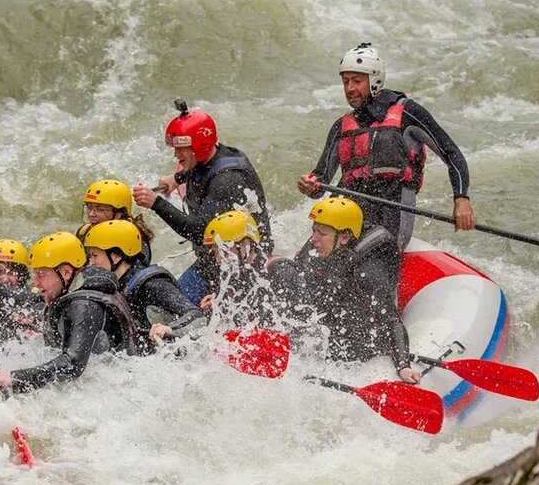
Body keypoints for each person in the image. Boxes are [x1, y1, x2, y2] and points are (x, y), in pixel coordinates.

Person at [297, 43, 476, 251]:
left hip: (390, 218)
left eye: (357, 81)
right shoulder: (341, 126)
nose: (349, 89)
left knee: (363, 255)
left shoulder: (407, 114)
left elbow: (451, 152)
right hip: (345, 220)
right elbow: (320, 182)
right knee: (304, 261)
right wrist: (309, 185)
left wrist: (461, 199)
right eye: (346, 81)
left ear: (374, 80)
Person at [131, 100, 271, 304]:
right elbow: (200, 170)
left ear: (200, 146)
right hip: (213, 258)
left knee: (188, 311)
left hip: (243, 263)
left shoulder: (228, 180)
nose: (176, 155)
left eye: (181, 150)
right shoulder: (209, 156)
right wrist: (176, 179)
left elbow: (198, 231)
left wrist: (156, 203)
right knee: (169, 307)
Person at [292, 197, 422, 384]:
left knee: (344, 344)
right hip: (336, 299)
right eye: (314, 230)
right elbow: (297, 277)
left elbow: (391, 319)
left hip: (363, 319)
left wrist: (403, 365)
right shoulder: (322, 241)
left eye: (321, 233)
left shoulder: (368, 270)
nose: (314, 238)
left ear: (344, 238)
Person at [0, 232, 138, 394]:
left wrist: (15, 378)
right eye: (35, 275)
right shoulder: (70, 294)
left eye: (41, 274)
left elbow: (72, 365)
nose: (36, 283)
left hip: (117, 393)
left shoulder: (84, 304)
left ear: (67, 272)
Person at [81, 219, 205, 353]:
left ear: (116, 257)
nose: (90, 263)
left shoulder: (152, 285)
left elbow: (197, 317)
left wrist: (169, 329)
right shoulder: (111, 285)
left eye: (95, 256)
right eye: (90, 257)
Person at [198, 211, 297, 331]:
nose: (218, 260)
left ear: (246, 244)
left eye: (223, 251)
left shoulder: (280, 271)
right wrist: (218, 305)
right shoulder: (234, 275)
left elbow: (300, 325)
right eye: (215, 252)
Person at [76, 179, 155, 261]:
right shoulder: (84, 232)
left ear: (119, 213)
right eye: (89, 207)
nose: (91, 214)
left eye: (100, 209)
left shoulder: (134, 238)